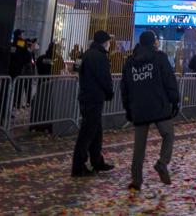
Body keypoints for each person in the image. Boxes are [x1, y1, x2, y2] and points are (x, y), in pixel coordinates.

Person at [122, 31, 179, 190]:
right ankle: (162, 162)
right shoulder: (159, 57)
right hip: (159, 105)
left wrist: (128, 108)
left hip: (139, 107)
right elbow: (169, 79)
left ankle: (136, 180)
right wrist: (174, 100)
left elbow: (124, 87)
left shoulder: (130, 61)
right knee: (168, 134)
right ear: (153, 42)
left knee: (139, 146)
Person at [72, 30, 115, 177]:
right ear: (104, 42)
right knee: (88, 133)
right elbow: (104, 78)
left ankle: (97, 161)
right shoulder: (100, 56)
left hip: (86, 96)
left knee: (96, 131)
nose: (109, 45)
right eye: (109, 42)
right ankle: (78, 165)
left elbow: (77, 69)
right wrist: (109, 92)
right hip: (94, 97)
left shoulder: (86, 54)